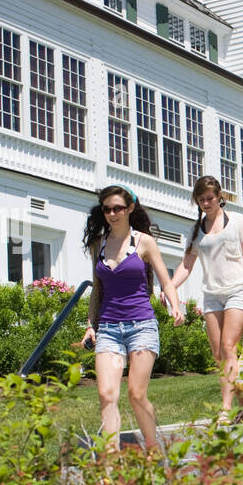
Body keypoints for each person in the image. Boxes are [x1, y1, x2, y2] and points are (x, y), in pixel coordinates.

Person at [81, 185, 183, 453]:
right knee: (106, 395)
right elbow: (97, 290)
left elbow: (165, 280)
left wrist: (175, 306)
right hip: (109, 329)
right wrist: (91, 325)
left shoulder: (144, 242)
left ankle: (152, 448)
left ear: (129, 209)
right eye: (107, 209)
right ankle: (110, 461)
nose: (112, 213)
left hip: (141, 327)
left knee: (136, 395)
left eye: (117, 208)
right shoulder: (98, 245)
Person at [165, 176, 243, 423]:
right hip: (212, 294)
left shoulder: (238, 222)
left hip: (238, 290)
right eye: (201, 200)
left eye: (210, 198)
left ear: (219, 195)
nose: (206, 203)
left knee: (229, 347)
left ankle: (225, 409)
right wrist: (169, 285)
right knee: (219, 355)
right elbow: (187, 265)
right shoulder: (195, 231)